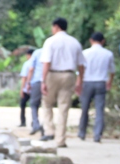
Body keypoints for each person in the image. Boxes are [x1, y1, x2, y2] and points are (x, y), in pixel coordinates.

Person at [40, 17, 86, 147]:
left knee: (47, 103)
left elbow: (46, 63)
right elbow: (81, 65)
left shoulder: (50, 41)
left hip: (52, 74)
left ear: (56, 27)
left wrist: (43, 81)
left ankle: (49, 131)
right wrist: (80, 81)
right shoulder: (75, 42)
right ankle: (60, 140)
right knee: (63, 107)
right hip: (69, 75)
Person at [78, 32, 115, 143]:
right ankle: (97, 135)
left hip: (87, 82)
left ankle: (82, 133)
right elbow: (112, 71)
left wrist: (78, 83)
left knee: (84, 108)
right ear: (103, 41)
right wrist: (109, 82)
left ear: (91, 40)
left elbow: (80, 70)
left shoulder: (85, 53)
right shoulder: (108, 54)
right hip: (101, 82)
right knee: (99, 110)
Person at [26, 48, 44, 135]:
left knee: (33, 104)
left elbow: (31, 69)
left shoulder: (37, 52)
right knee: (47, 106)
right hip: (50, 80)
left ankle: (36, 124)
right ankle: (45, 127)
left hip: (38, 81)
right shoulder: (55, 51)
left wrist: (28, 83)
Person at [18, 49, 35, 127]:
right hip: (35, 87)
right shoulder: (39, 63)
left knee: (23, 105)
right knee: (34, 106)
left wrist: (22, 89)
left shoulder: (27, 63)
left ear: (29, 55)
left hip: (26, 88)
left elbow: (24, 77)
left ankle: (23, 122)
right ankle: (34, 122)